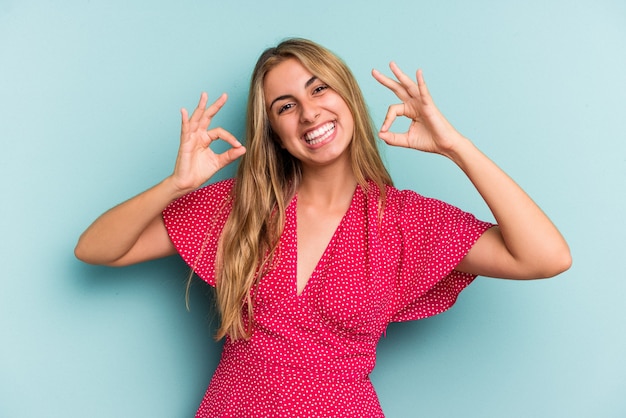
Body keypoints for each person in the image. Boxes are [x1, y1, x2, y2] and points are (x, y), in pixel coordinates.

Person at [75, 38, 571, 417]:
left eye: (319, 88)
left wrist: (456, 146)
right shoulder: (242, 208)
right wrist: (175, 185)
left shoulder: (404, 221)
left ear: (348, 96)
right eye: (285, 105)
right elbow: (97, 249)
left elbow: (545, 257)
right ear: (275, 133)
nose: (309, 112)